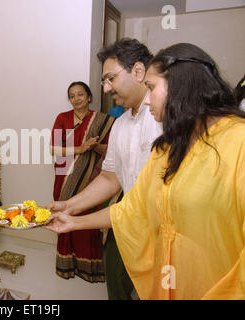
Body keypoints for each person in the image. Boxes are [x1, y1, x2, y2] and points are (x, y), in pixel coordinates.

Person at [44, 43, 245, 300]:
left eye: (110, 78)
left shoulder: (226, 138)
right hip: (140, 237)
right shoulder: (154, 140)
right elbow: (127, 199)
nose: (105, 88)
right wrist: (71, 212)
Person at [48, 38, 162, 300]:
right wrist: (69, 206)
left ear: (138, 70)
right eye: (104, 81)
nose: (107, 88)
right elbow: (110, 178)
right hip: (127, 216)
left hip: (161, 222)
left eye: (111, 78)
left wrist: (75, 221)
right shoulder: (120, 124)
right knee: (116, 281)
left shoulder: (163, 118)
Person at [50, 81, 115, 282]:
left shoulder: (103, 121)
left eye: (80, 94)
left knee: (86, 215)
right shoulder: (63, 118)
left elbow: (111, 150)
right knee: (65, 213)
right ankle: (66, 264)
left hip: (92, 176)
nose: (76, 99)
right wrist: (80, 148)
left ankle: (89, 268)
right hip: (65, 174)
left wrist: (94, 147)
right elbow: (54, 148)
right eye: (72, 96)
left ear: (89, 97)